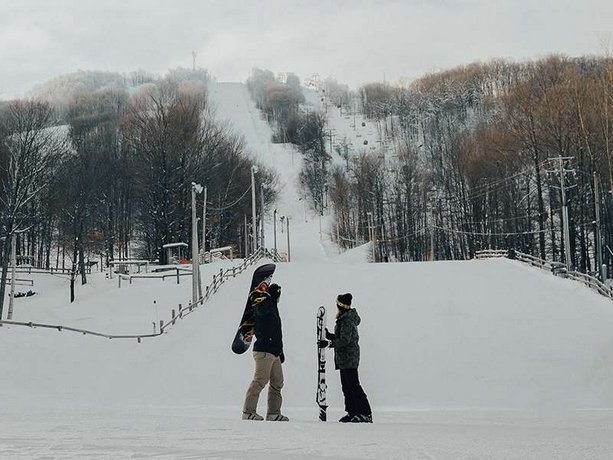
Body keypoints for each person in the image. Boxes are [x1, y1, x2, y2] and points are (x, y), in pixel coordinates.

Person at [319, 293, 372, 423]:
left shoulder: (347, 320)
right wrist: (329, 336)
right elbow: (342, 337)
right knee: (347, 386)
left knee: (353, 386)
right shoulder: (344, 318)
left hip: (349, 358)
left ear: (340, 305)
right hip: (344, 358)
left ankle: (365, 413)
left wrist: (330, 343)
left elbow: (345, 340)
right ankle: (352, 412)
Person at [242, 280, 289, 421]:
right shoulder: (264, 305)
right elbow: (258, 306)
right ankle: (248, 411)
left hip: (274, 351)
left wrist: (280, 351)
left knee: (277, 381)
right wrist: (261, 295)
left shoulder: (273, 307)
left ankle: (273, 413)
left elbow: (275, 332)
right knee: (260, 381)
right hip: (263, 350)